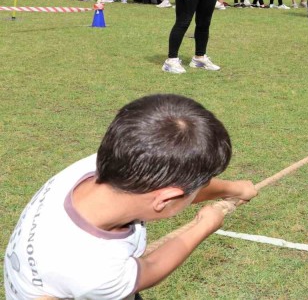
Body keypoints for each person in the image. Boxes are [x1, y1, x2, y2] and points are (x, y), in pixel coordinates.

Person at [4, 94, 257, 299]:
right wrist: (204, 226)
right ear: (165, 199)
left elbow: (174, 185)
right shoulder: (95, 271)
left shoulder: (100, 165)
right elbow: (151, 268)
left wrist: (232, 189)